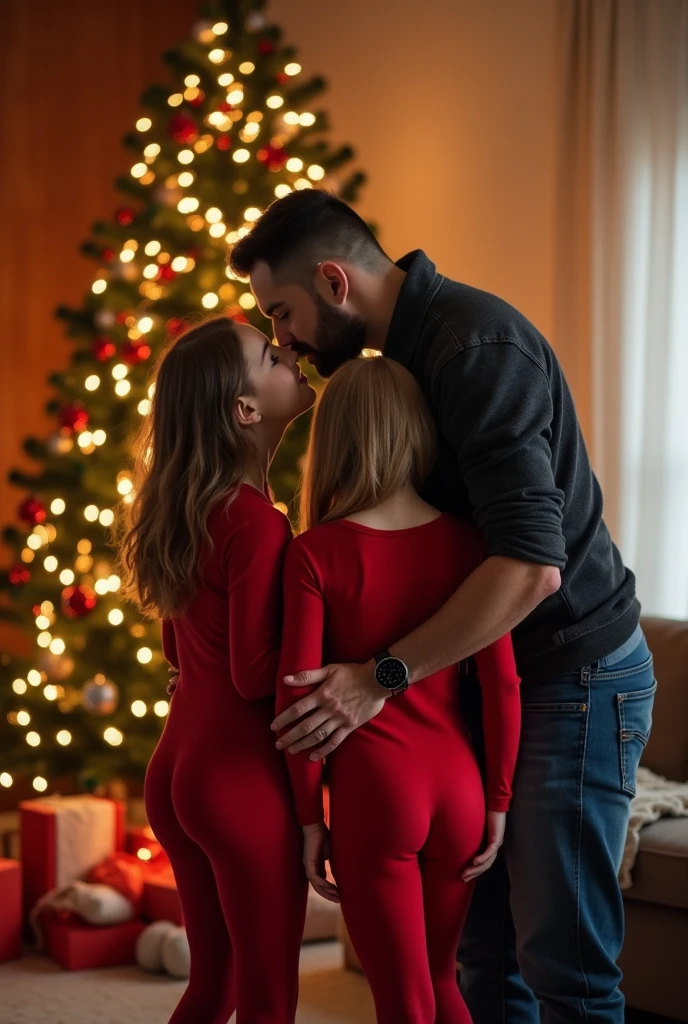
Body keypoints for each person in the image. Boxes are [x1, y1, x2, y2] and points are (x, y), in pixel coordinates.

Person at [228, 190, 656, 1024]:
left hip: (574, 671)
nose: (284, 342)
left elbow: (533, 568)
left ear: (332, 281)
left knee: (562, 967)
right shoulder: (405, 359)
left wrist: (377, 678)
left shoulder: (472, 348)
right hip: (489, 688)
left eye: (283, 315)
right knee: (485, 966)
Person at [275, 356, 521, 1024]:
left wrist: (307, 822)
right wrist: (497, 800)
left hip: (376, 792)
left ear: (335, 440)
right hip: (461, 786)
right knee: (444, 982)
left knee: (401, 1001)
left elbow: (298, 703)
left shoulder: (315, 553)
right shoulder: (471, 546)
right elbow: (501, 684)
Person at [118, 316, 315, 1024]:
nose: (290, 351)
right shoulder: (258, 522)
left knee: (213, 988)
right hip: (238, 780)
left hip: (177, 770)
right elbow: (254, 674)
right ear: (245, 410)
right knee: (268, 998)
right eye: (271, 354)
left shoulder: (191, 510)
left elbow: (181, 656)